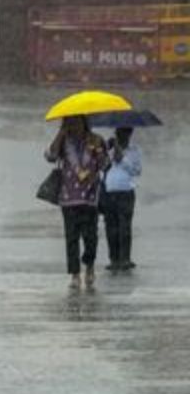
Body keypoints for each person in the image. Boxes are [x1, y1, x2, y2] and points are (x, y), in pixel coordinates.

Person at [45, 116, 108, 290]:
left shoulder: (96, 140)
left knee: (90, 237)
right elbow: (50, 156)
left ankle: (89, 265)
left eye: (77, 122)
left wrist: (99, 152)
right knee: (71, 238)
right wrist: (60, 133)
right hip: (68, 198)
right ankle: (74, 274)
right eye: (70, 123)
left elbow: (105, 164)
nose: (74, 126)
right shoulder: (64, 141)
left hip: (90, 197)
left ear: (84, 122)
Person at [102, 127, 141, 272]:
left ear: (129, 134)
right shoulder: (109, 149)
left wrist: (122, 158)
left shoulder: (134, 150)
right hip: (109, 192)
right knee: (110, 228)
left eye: (124, 134)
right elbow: (101, 167)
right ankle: (114, 259)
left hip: (126, 192)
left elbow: (137, 170)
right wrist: (107, 151)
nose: (121, 137)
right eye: (118, 134)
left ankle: (125, 259)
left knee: (125, 227)